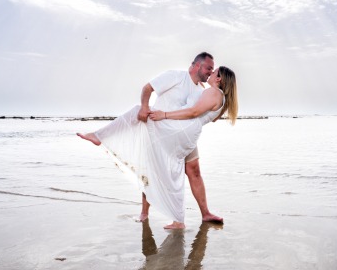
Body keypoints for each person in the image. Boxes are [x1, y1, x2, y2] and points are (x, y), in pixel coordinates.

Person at [77, 55, 238, 229]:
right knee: (169, 169)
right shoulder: (181, 79)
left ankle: (99, 136)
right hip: (182, 132)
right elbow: (148, 88)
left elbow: (193, 112)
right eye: (209, 69)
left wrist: (164, 115)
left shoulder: (210, 91)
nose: (210, 73)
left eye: (213, 71)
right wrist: (150, 108)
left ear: (219, 78)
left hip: (176, 129)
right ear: (197, 65)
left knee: (159, 163)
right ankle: (173, 218)